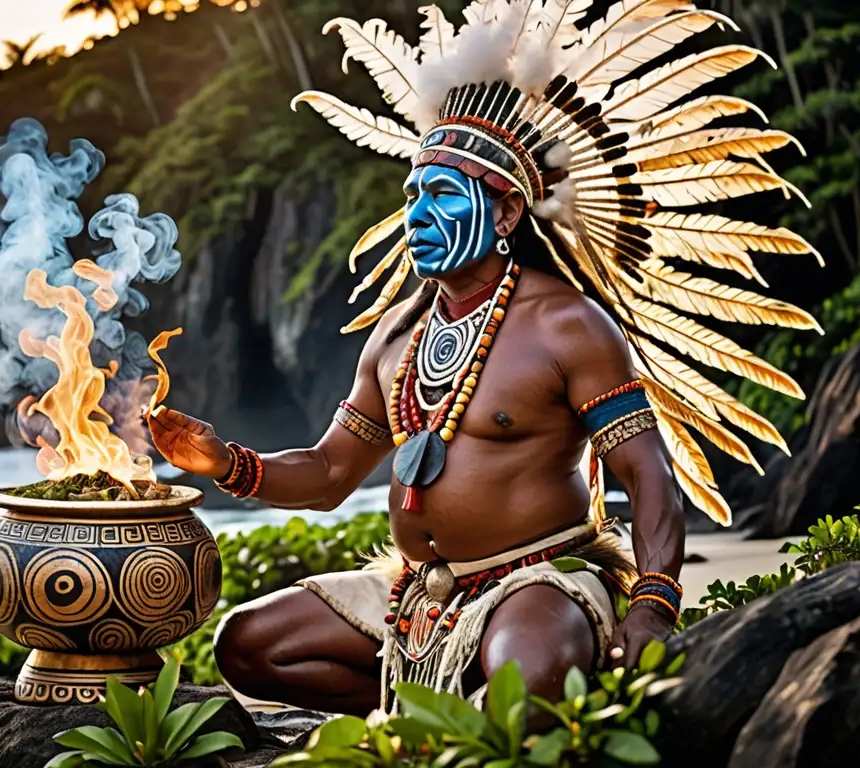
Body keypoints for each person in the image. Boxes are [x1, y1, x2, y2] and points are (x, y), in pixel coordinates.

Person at [147, 0, 821, 717]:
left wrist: (652, 606)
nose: (415, 215)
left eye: (441, 194)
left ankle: (467, 710)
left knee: (523, 673)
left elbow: (647, 475)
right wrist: (227, 463)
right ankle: (435, 714)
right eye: (411, 195)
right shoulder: (396, 336)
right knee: (248, 643)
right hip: (418, 593)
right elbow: (331, 472)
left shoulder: (568, 325)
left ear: (505, 213)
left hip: (540, 580)